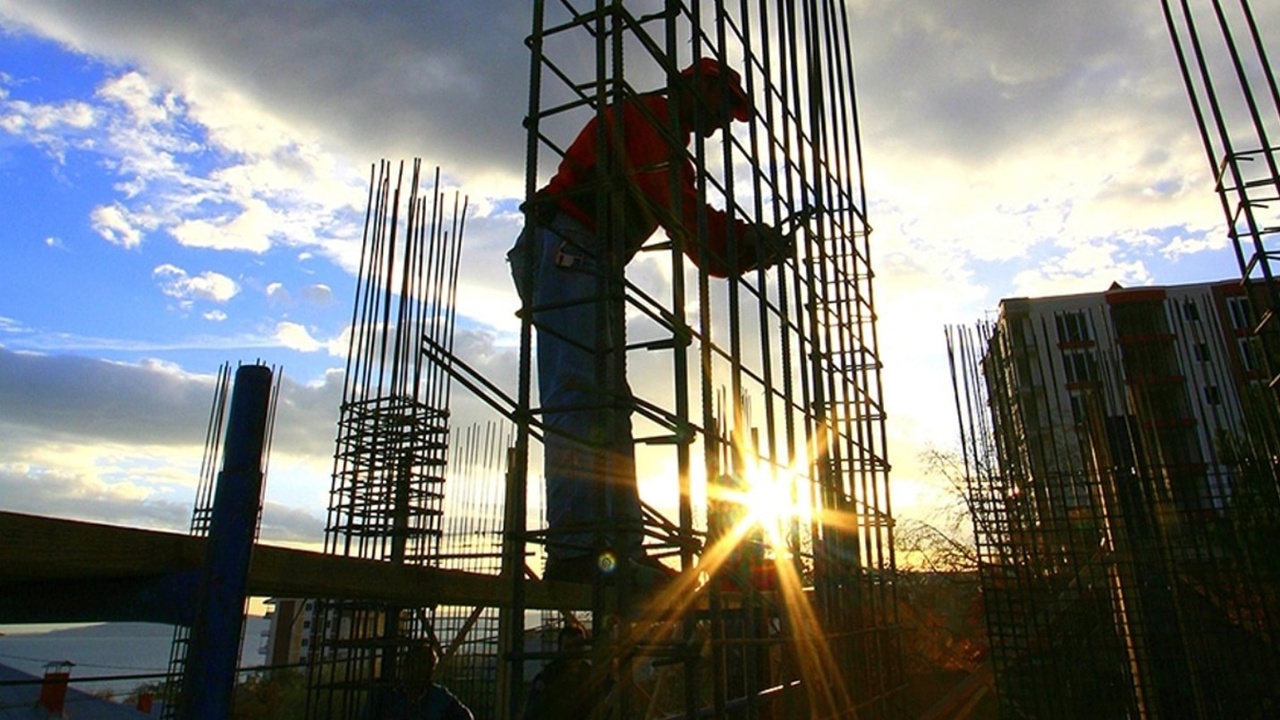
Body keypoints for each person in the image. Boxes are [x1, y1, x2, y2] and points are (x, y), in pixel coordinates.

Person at [509, 57, 791, 585]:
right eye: (723, 106)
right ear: (696, 88)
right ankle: (576, 553)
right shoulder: (647, 122)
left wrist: (747, 247)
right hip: (565, 246)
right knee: (580, 396)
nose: (722, 122)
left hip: (587, 255)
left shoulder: (661, 138)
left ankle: (615, 551)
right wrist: (750, 241)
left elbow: (701, 243)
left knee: (609, 407)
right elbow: (692, 226)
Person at [361, 644, 473, 720]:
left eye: (426, 665)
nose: (420, 670)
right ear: (406, 665)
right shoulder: (385, 695)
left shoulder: (439, 697)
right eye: (416, 663)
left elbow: (465, 717)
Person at [521, 624, 602, 720]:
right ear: (560, 650)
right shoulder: (548, 678)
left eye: (578, 646)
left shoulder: (591, 675)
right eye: (568, 647)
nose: (574, 651)